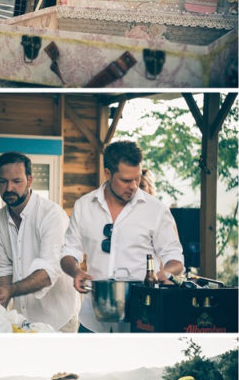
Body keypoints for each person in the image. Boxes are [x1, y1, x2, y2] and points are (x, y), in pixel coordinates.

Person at [61, 140, 185, 333]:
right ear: (108, 173)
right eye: (126, 180)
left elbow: (175, 257)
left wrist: (166, 273)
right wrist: (75, 271)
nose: (134, 186)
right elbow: (69, 251)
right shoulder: (83, 206)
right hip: (92, 321)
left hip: (142, 320)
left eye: (136, 178)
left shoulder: (156, 210)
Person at [0, 152, 80, 332]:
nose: (9, 188)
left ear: (29, 181)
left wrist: (11, 290)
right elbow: (5, 270)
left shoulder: (51, 215)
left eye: (16, 181)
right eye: (3, 181)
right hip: (23, 320)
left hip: (59, 320)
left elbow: (48, 273)